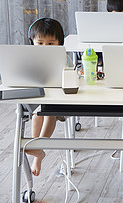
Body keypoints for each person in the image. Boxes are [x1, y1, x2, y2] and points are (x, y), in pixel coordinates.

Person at [25, 18, 66, 176]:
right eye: (40, 43)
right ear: (32, 42)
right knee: (36, 115)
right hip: (40, 98)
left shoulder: (64, 59)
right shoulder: (30, 60)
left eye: (51, 44)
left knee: (49, 114)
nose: (45, 47)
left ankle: (38, 149)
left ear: (59, 44)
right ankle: (38, 151)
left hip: (58, 100)